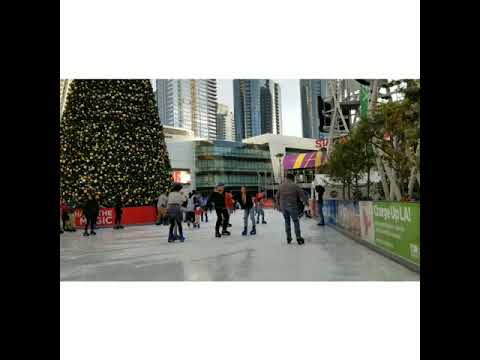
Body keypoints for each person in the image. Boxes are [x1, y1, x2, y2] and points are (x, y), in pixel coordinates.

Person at [275, 173, 308, 245]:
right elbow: (302, 195)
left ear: (286, 178)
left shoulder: (281, 186)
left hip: (283, 207)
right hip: (292, 206)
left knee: (287, 221)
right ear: (292, 178)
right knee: (295, 221)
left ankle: (288, 237)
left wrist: (277, 205)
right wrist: (306, 203)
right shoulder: (295, 185)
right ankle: (298, 238)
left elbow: (276, 196)